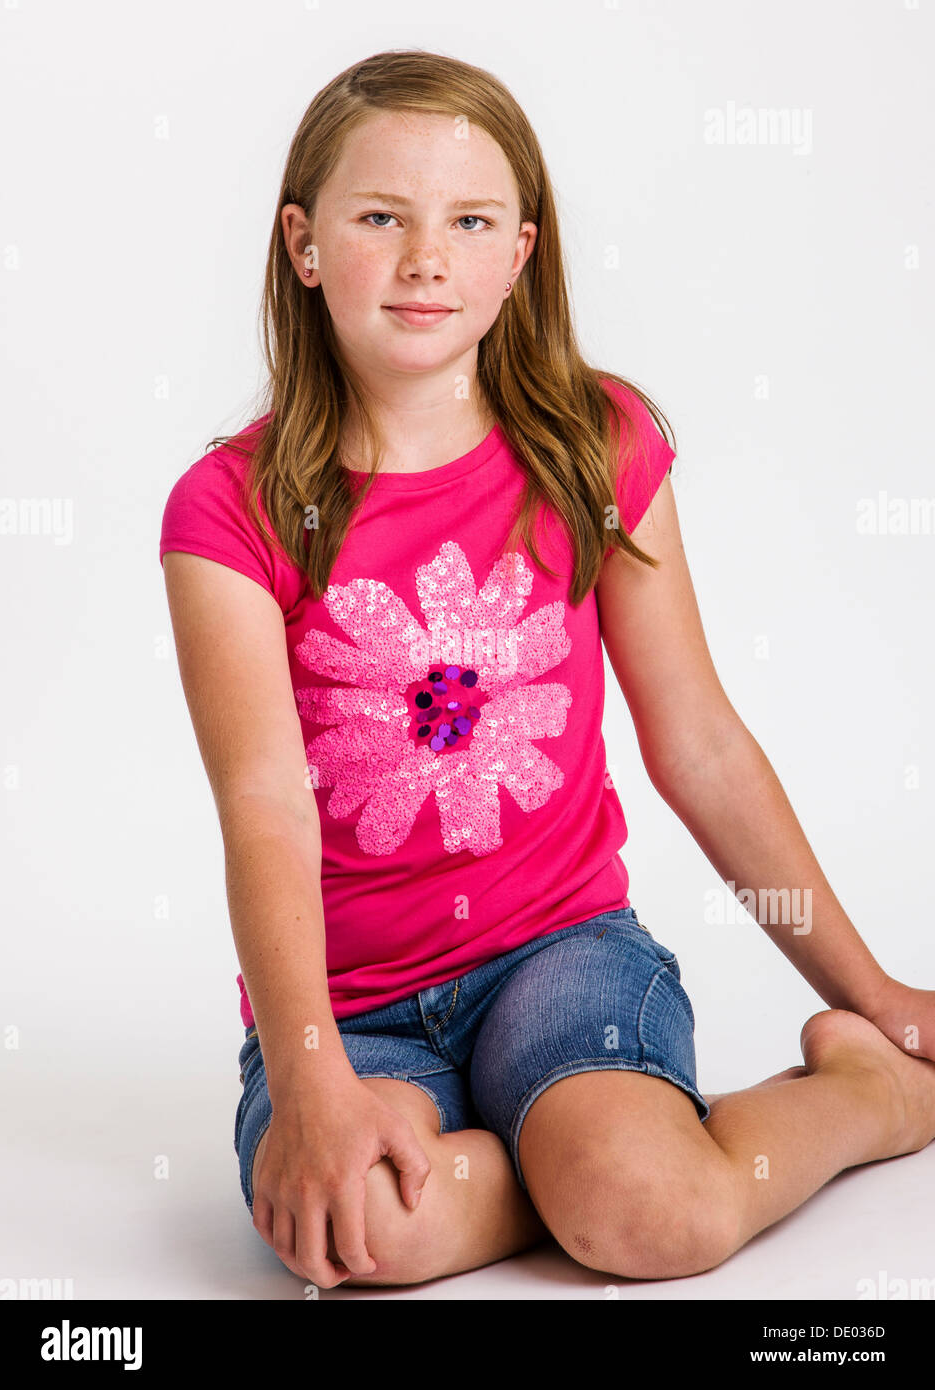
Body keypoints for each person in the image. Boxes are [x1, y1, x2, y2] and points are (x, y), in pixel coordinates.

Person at [158, 49, 935, 1292]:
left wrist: (877, 990)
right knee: (363, 1233)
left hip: (555, 952)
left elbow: (699, 743)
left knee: (654, 1219)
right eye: (379, 218)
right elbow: (263, 803)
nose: (426, 259)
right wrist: (309, 1078)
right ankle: (574, 1158)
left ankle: (859, 1095)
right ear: (303, 244)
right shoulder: (232, 510)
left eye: (468, 221)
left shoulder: (592, 445)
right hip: (350, 1003)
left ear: (520, 251)